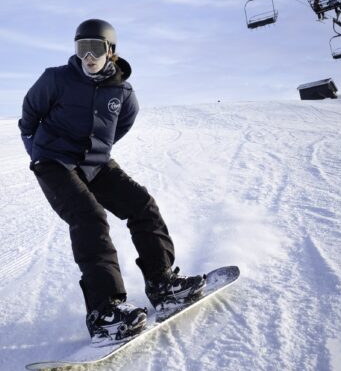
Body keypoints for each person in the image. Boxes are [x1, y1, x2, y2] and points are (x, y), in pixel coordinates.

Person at [19, 19, 205, 342]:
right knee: (89, 217)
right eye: (81, 49)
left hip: (95, 163)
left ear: (111, 52)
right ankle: (104, 310)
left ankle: (162, 283)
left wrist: (97, 151)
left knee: (141, 204)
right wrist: (37, 152)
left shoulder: (123, 92)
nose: (88, 56)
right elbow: (29, 116)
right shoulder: (56, 80)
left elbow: (122, 125)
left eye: (95, 49)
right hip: (54, 161)